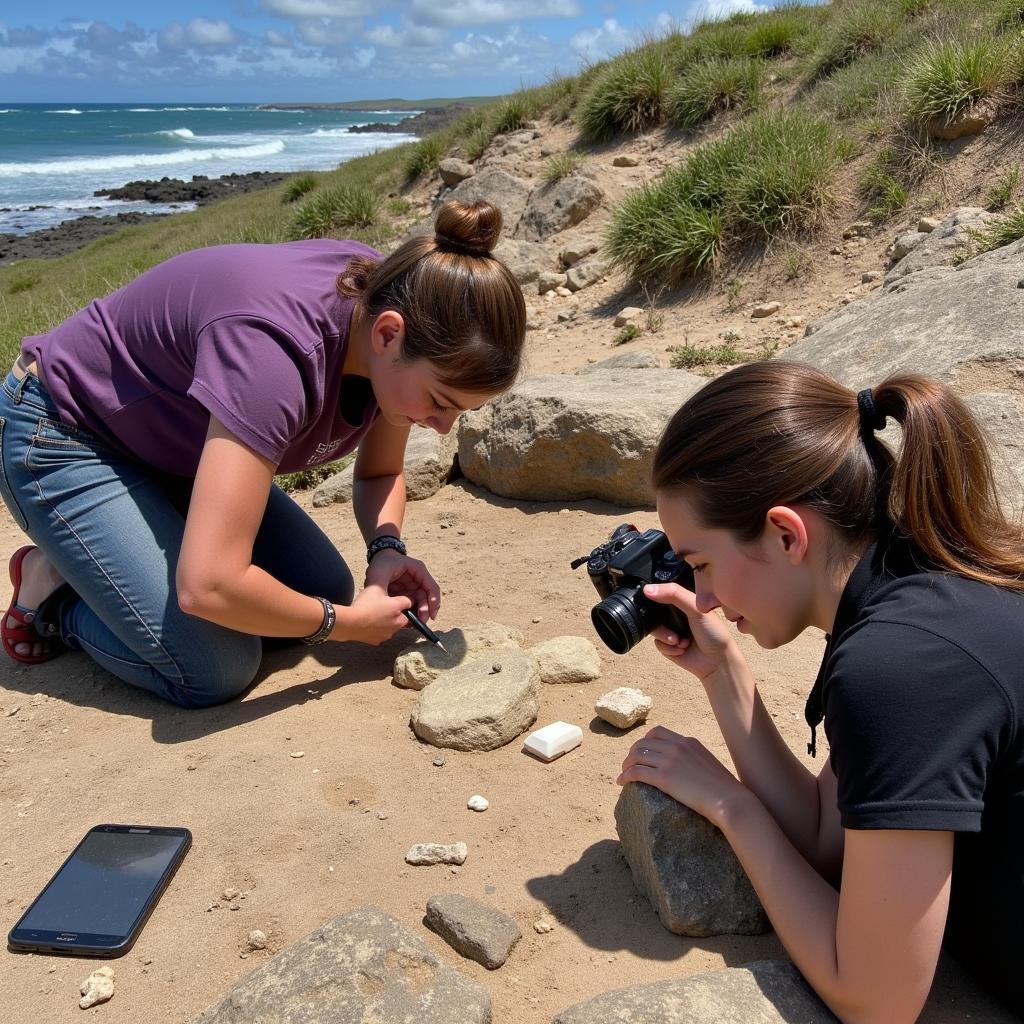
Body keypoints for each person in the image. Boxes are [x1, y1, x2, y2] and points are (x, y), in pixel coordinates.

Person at [616, 360, 1024, 1022]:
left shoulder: (898, 666)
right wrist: (724, 672)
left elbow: (876, 999)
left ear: (785, 533)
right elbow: (823, 836)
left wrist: (732, 807)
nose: (705, 597)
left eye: (700, 564)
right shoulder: (913, 579)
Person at [0, 199, 526, 709]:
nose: (441, 426)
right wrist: (342, 626)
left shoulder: (401, 305)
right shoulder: (274, 355)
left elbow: (380, 472)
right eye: (439, 403)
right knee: (214, 666)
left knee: (320, 588)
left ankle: (124, 546)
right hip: (63, 431)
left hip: (173, 444)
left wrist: (386, 548)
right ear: (390, 334)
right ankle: (58, 598)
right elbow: (208, 586)